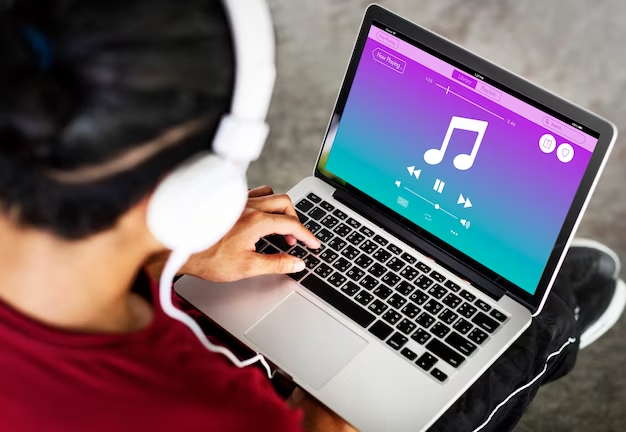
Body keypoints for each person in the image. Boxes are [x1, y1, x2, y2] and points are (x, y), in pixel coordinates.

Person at [0, 1, 623, 431]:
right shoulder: (224, 413)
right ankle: (559, 329)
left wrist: (176, 256)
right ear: (199, 189)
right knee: (532, 319)